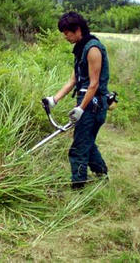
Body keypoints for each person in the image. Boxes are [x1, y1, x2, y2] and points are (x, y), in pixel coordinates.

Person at [44, 11, 110, 190]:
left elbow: (94, 84)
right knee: (87, 142)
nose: (65, 36)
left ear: (78, 29)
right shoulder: (81, 49)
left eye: (67, 32)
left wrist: (81, 108)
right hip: (86, 102)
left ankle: (78, 187)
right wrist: (54, 99)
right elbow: (73, 80)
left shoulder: (93, 49)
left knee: (79, 148)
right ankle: (102, 175)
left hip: (93, 104)